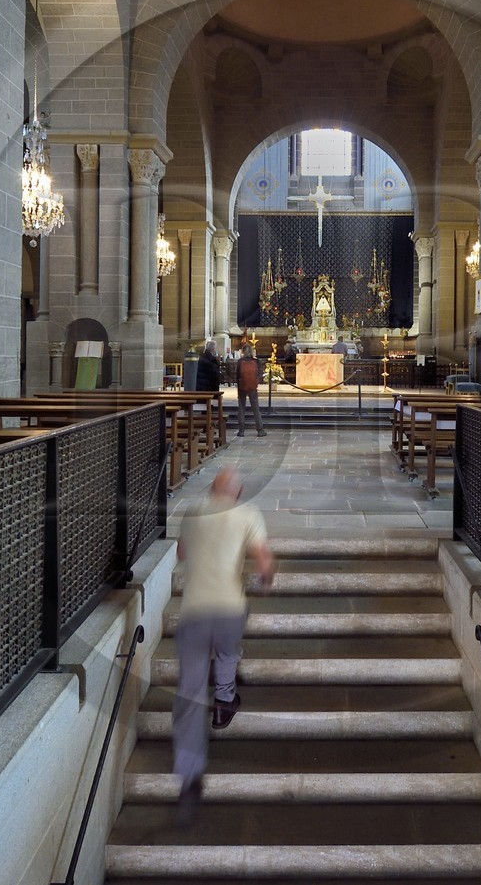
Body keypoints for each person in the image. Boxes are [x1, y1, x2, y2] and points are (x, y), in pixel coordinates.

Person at [172, 468, 275, 824]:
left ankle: (188, 774)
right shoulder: (248, 514)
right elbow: (263, 557)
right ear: (239, 491)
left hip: (194, 610)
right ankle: (225, 698)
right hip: (230, 607)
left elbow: (182, 553)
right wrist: (265, 577)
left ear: (211, 489)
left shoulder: (193, 512)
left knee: (189, 688)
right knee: (229, 651)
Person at [235, 350, 266, 437]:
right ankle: (260, 429)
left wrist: (239, 383)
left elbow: (236, 374)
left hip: (242, 387)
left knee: (241, 408)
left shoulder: (240, 361)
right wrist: (256, 382)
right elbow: (259, 373)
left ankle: (241, 431)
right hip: (252, 387)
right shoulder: (256, 361)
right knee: (256, 408)